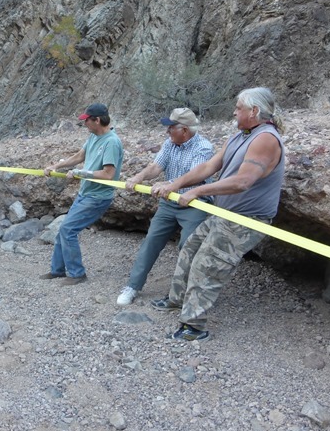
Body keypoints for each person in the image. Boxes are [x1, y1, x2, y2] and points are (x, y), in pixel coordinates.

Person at [151, 87, 286, 341]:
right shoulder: (241, 136)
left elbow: (243, 182)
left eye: (239, 107)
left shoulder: (266, 139)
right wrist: (176, 184)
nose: (234, 112)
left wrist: (198, 190)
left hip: (245, 219)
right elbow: (209, 166)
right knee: (190, 250)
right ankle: (177, 300)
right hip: (224, 212)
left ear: (254, 111)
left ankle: (194, 326)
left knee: (208, 264)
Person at [116, 108, 214, 306]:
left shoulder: (203, 147)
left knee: (188, 245)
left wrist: (169, 184)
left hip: (194, 203)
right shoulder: (170, 143)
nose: (167, 132)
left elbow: (196, 175)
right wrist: (138, 177)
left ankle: (187, 292)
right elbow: (156, 166)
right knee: (151, 241)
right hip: (170, 203)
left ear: (184, 130)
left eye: (171, 128)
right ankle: (133, 286)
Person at [42, 103, 124, 286]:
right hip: (85, 194)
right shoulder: (94, 137)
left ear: (97, 120)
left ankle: (77, 273)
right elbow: (80, 156)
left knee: (67, 230)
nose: (84, 124)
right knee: (64, 230)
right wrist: (57, 166)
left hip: (97, 197)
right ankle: (57, 270)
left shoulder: (111, 142)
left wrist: (81, 174)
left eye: (87, 120)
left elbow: (109, 175)